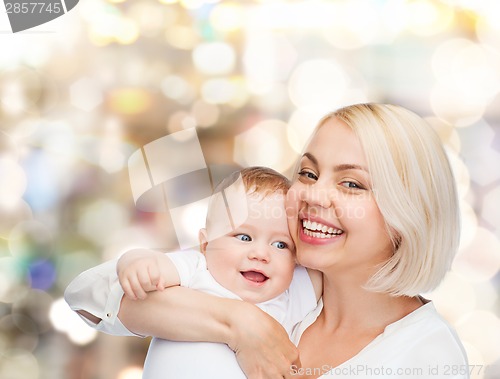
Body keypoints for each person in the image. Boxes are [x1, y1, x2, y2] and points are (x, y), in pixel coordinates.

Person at [66, 103, 469, 379]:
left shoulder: (428, 355)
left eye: (351, 183)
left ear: (408, 212)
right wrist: (240, 323)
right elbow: (89, 296)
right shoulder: (274, 275)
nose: (312, 195)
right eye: (308, 174)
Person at [65, 166, 322, 378]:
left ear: (296, 260)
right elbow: (141, 270)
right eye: (244, 237)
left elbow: (334, 271)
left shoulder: (287, 296)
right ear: (206, 244)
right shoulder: (197, 269)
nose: (261, 254)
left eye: (280, 245)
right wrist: (134, 261)